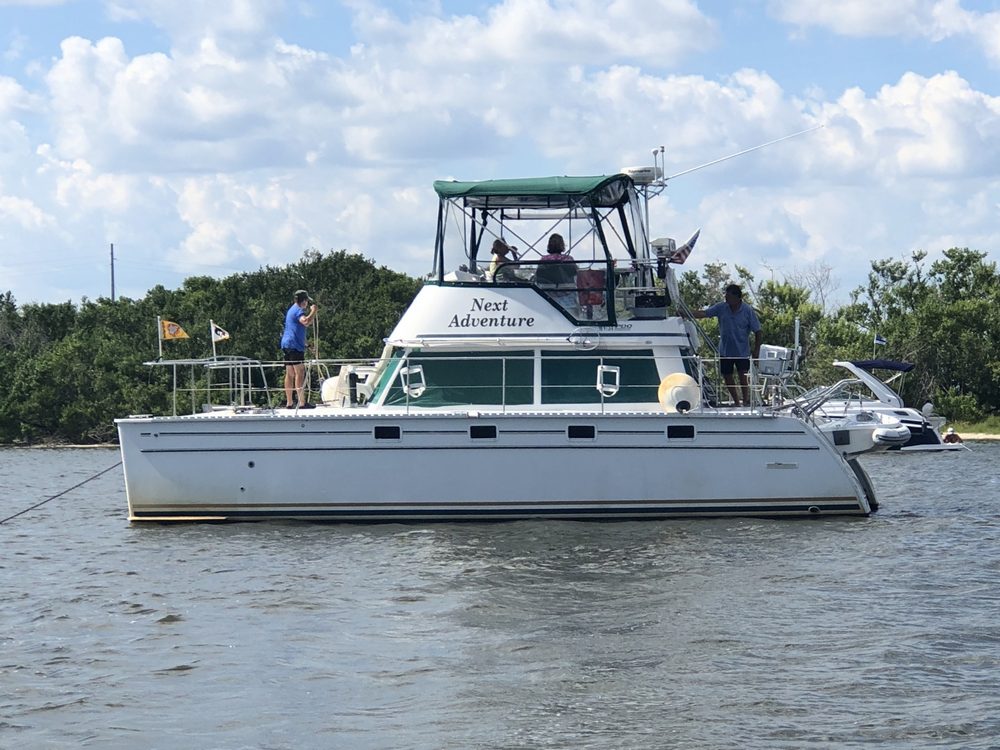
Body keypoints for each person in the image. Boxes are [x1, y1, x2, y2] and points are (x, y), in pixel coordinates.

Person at [690, 283, 762, 407]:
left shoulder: (747, 310)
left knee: (743, 376)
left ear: (737, 297)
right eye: (725, 296)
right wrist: (686, 312)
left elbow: (758, 331)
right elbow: (704, 314)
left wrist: (756, 350)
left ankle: (746, 400)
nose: (726, 299)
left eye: (728, 297)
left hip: (742, 351)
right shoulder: (721, 307)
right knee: (727, 377)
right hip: (725, 350)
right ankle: (736, 401)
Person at [280, 289, 318, 408]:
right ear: (305, 301)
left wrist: (307, 345)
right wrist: (313, 311)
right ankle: (302, 403)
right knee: (300, 372)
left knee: (290, 373)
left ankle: (289, 402)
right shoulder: (299, 311)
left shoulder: (291, 310)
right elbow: (305, 322)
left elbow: (295, 331)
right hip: (294, 347)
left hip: (287, 344)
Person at [536, 233, 578, 309]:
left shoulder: (544, 259)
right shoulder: (568, 259)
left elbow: (538, 277)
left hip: (548, 296)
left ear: (549, 245)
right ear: (562, 245)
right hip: (567, 296)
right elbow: (575, 274)